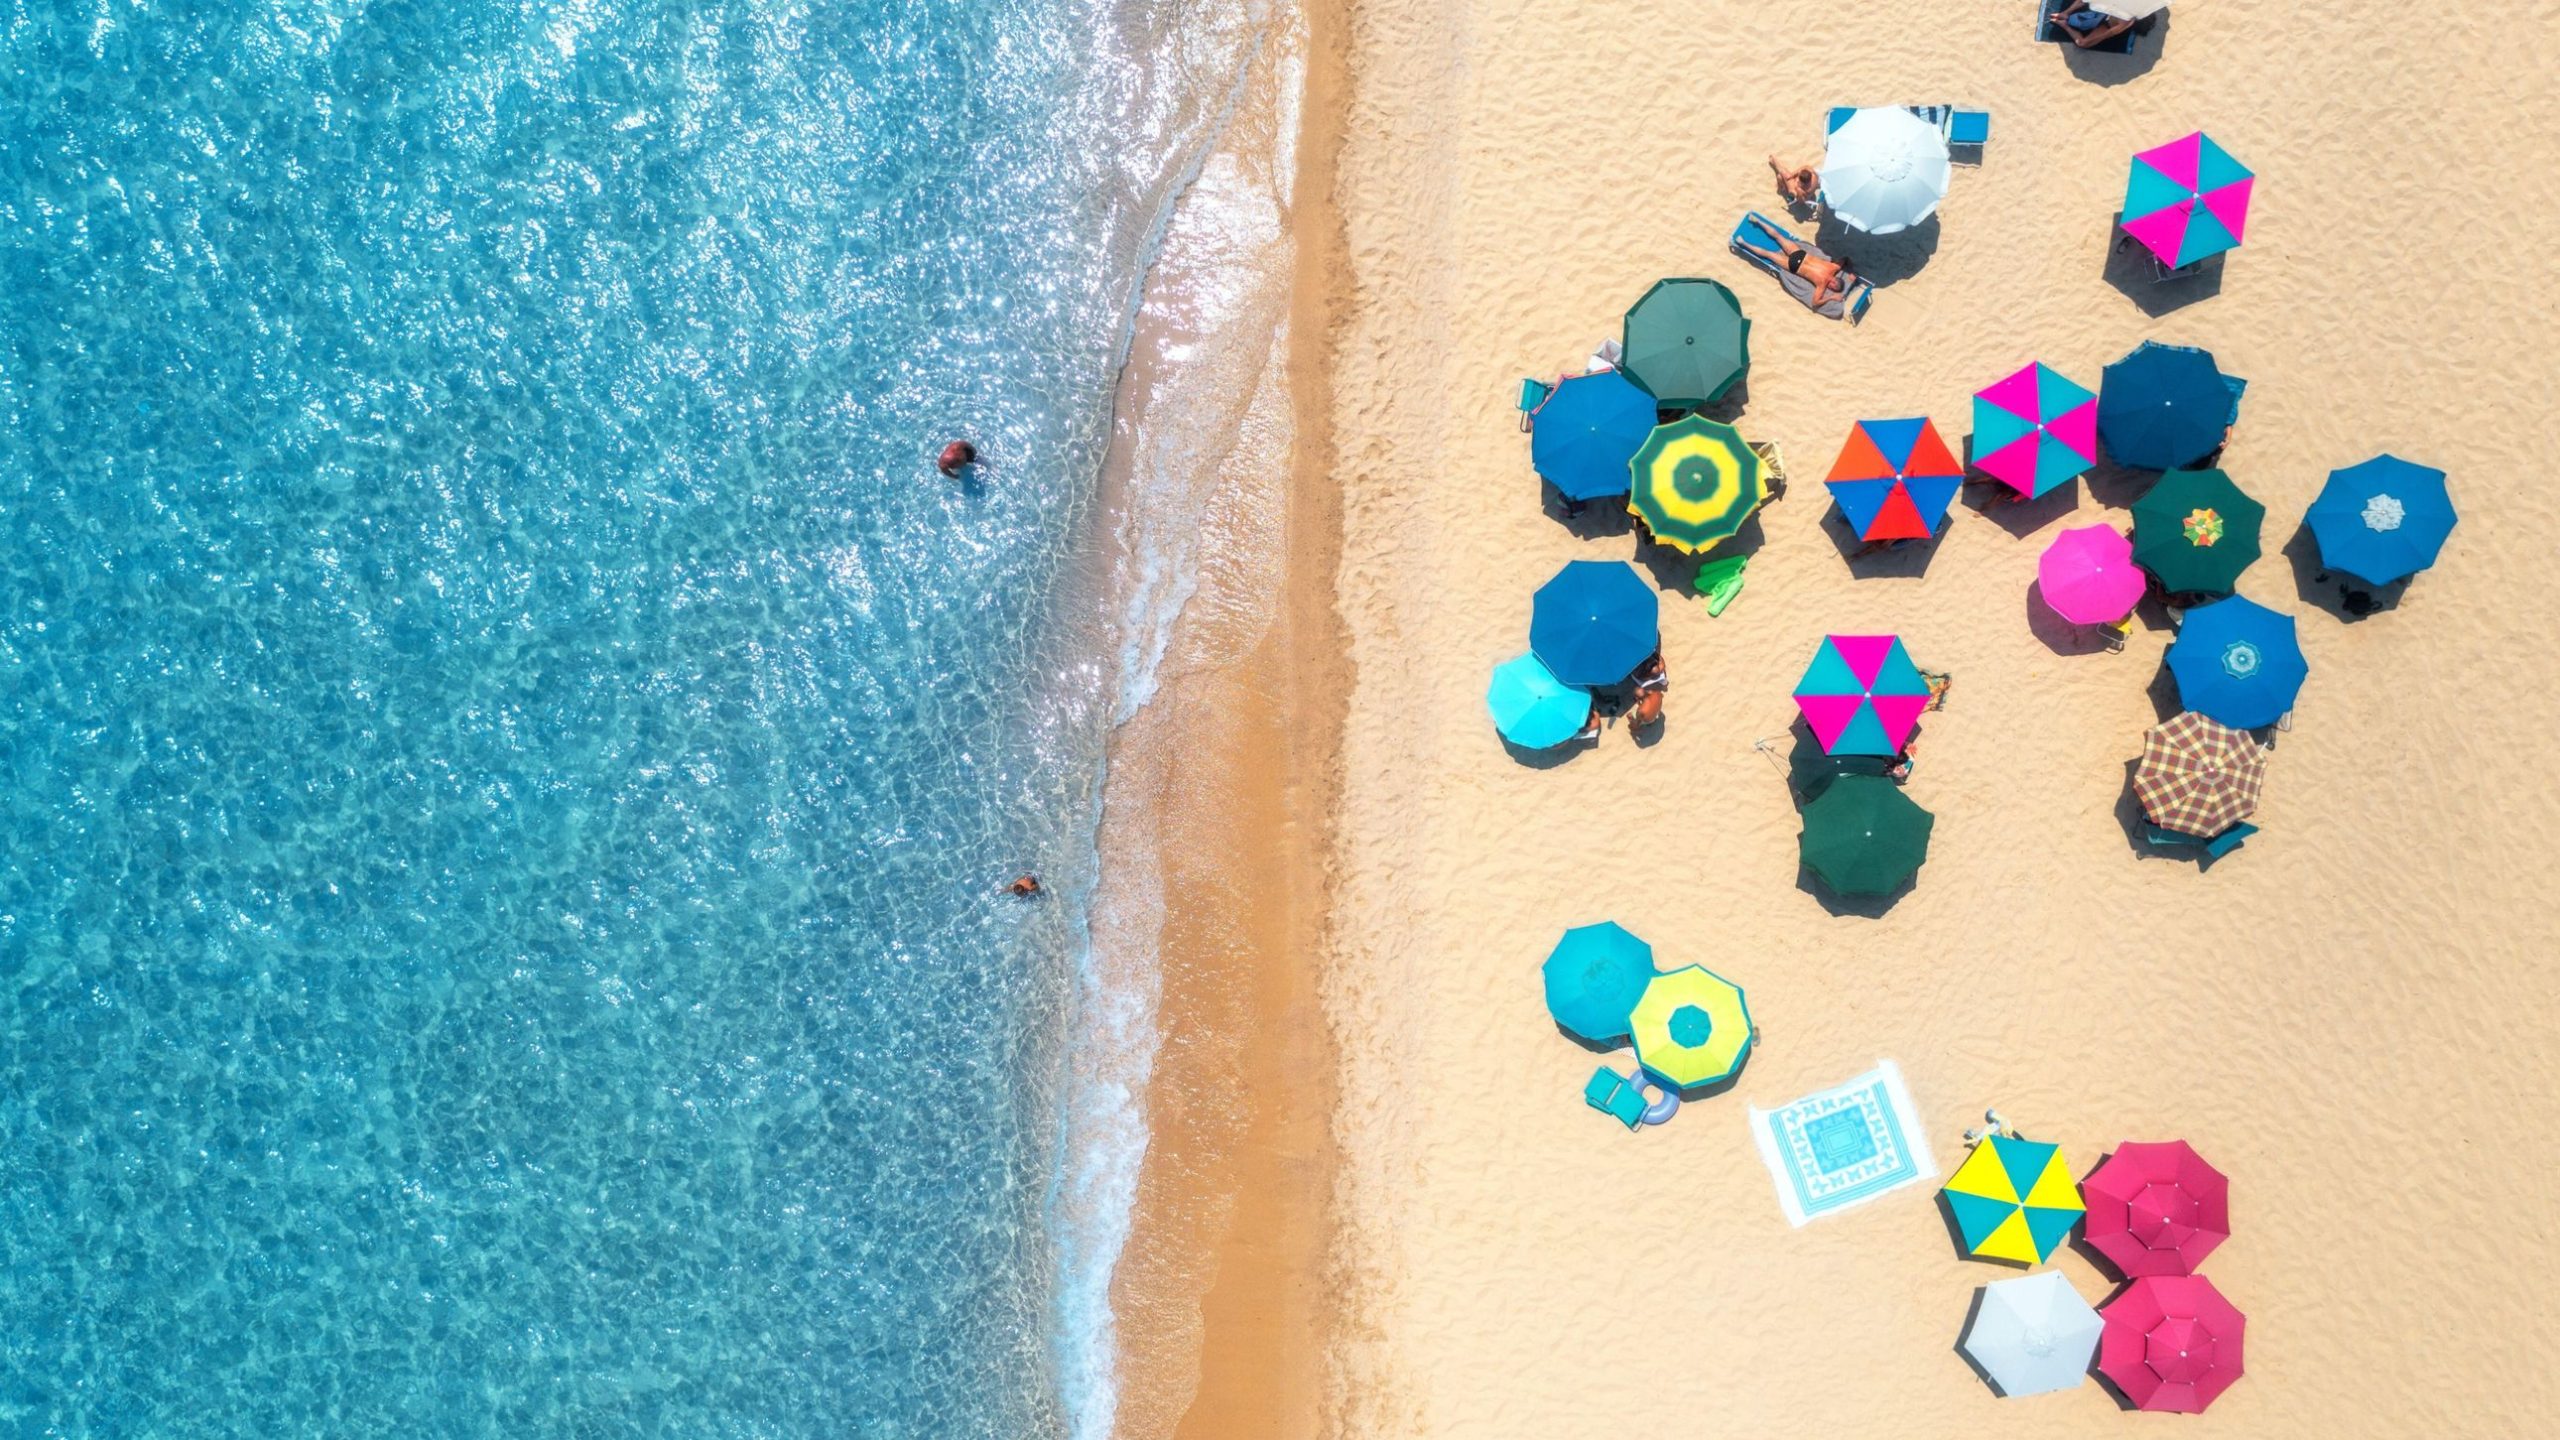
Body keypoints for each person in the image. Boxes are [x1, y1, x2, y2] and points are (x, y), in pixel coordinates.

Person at [1733, 225, 1859, 312]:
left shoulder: (1827, 277)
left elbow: (1815, 303)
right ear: (1835, 281)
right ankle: (1750, 233)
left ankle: (1750, 233)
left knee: (1774, 246)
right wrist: (1849, 275)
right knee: (1774, 245)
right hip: (1798, 260)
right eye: (1834, 285)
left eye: (1832, 287)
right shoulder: (1827, 276)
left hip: (1798, 261)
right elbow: (1845, 258)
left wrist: (1833, 295)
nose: (1831, 285)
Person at [2047, 0, 2137, 48]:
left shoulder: (2127, 19)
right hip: (2104, 11)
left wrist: (2091, 40)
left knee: (2082, 43)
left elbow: (2106, 34)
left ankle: (2065, 25)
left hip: (2106, 24)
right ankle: (2065, 13)